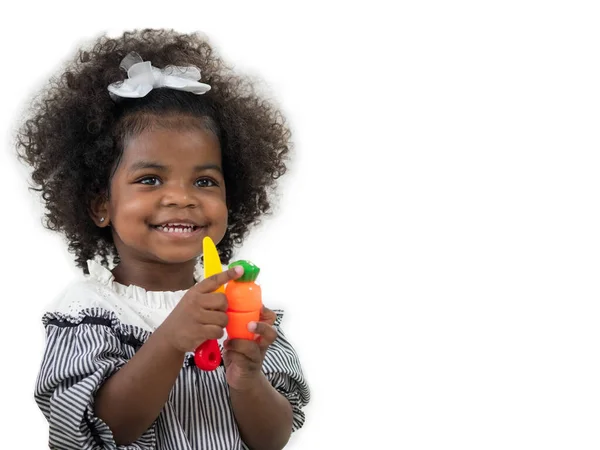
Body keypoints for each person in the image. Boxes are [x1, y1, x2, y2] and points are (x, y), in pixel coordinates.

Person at [16, 28, 309, 450]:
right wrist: (172, 338)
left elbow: (272, 439)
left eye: (205, 181)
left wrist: (247, 379)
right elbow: (94, 433)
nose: (181, 198)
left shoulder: (238, 308)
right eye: (150, 179)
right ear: (102, 204)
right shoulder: (88, 314)